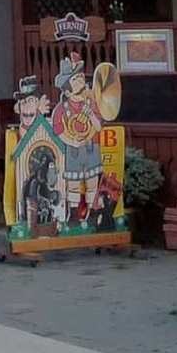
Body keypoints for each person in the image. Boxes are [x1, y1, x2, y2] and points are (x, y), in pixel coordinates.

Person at [49, 53, 105, 224]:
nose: (81, 83)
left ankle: (93, 214)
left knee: (92, 181)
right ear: (67, 90)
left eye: (81, 78)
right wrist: (72, 141)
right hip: (73, 149)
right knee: (73, 182)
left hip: (91, 147)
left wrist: (92, 116)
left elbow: (98, 127)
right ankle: (73, 213)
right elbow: (57, 130)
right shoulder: (61, 108)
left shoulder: (92, 104)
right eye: (76, 80)